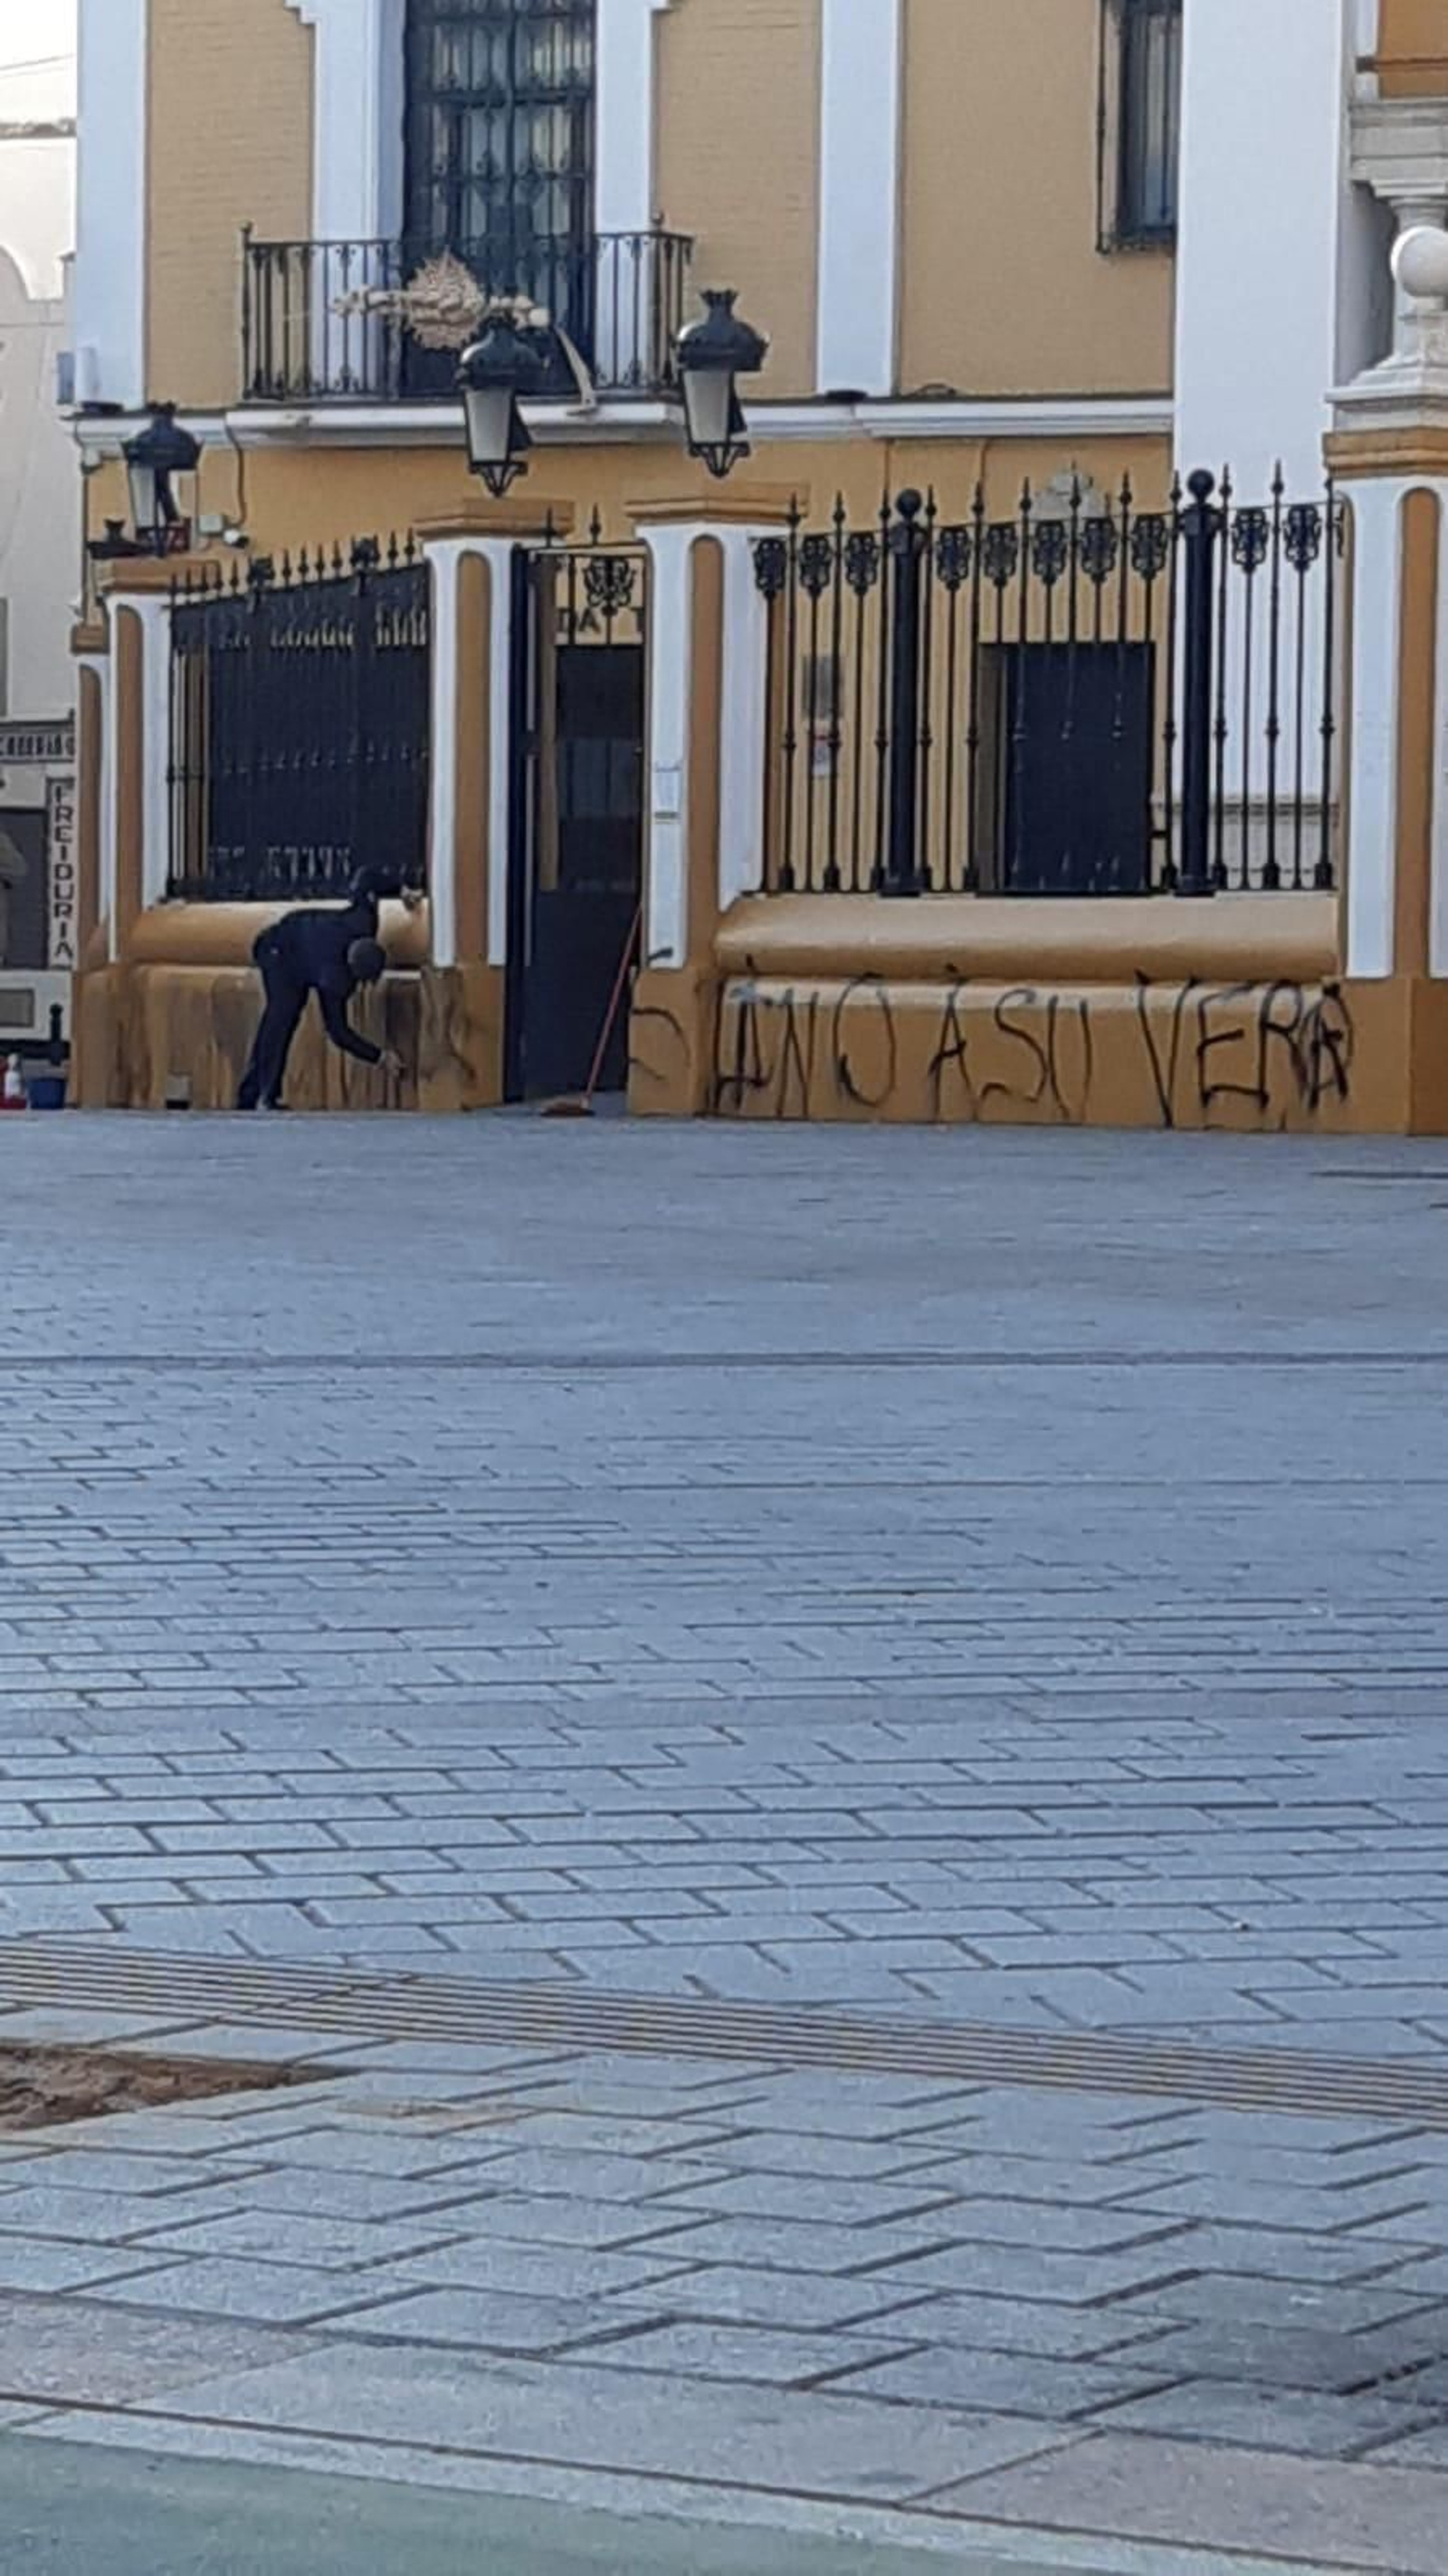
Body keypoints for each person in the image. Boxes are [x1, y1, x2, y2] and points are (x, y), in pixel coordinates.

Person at [237, 871, 417, 1111]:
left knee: (282, 1018)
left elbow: (367, 878)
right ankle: (263, 1095)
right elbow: (338, 1031)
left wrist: (401, 889)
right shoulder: (334, 978)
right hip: (278, 949)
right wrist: (380, 1057)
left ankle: (258, 1094)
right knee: (282, 1018)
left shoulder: (363, 921)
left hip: (303, 942)